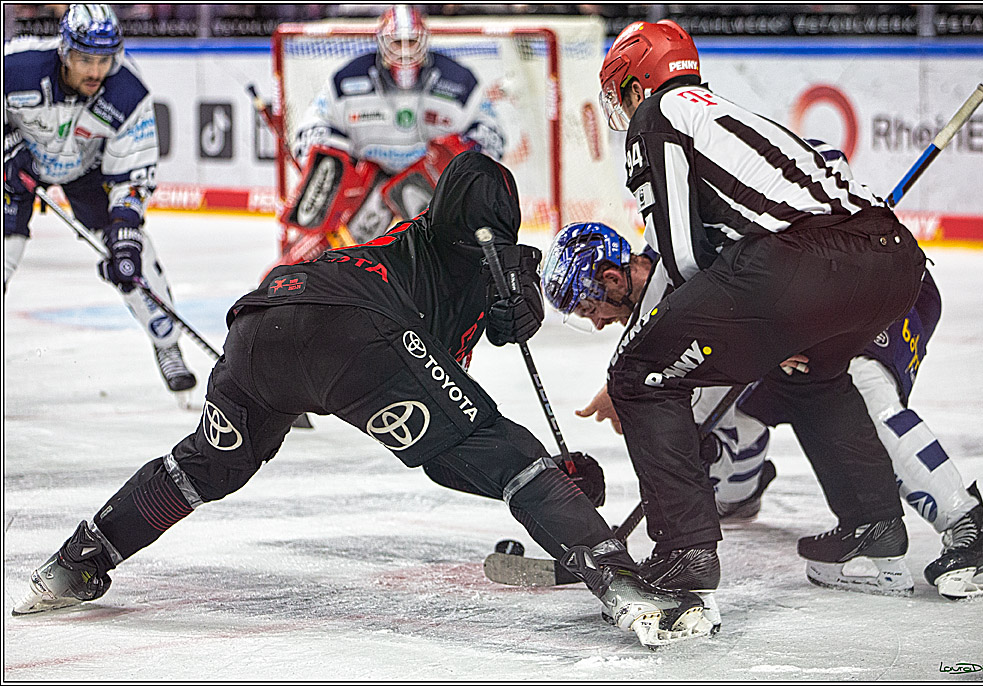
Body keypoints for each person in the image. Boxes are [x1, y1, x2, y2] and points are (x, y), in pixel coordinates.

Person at [12, 152, 715, 650]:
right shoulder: (476, 244)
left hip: (268, 314)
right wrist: (552, 490)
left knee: (206, 466)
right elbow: (474, 175)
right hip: (354, 328)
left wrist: (549, 495)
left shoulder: (439, 266)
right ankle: (624, 582)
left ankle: (78, 561)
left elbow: (450, 436)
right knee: (516, 454)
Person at [568, 18, 929, 612]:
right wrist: (772, 330)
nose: (623, 108)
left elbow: (683, 258)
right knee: (812, 373)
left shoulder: (656, 118)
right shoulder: (719, 111)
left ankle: (685, 550)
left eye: (621, 93)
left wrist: (629, 363)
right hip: (893, 262)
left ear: (637, 83)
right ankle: (873, 529)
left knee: (638, 374)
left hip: (803, 265)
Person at [554, 216, 983, 600]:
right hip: (796, 324)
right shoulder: (660, 282)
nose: (596, 323)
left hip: (870, 293)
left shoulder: (692, 237)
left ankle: (974, 531)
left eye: (589, 307)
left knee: (860, 387)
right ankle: (737, 492)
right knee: (700, 398)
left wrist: (780, 328)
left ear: (612, 278)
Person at [3, 4, 196, 397]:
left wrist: (124, 225)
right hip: (17, 168)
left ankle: (166, 343)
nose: (95, 71)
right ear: (64, 50)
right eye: (85, 58)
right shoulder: (16, 66)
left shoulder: (127, 92)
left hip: (88, 171)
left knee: (132, 257)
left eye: (104, 59)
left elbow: (134, 169)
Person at [279, 4, 506, 264]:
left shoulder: (459, 81)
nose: (406, 51)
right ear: (382, 43)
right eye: (398, 42)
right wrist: (337, 159)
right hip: (371, 177)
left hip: (431, 179)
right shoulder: (347, 80)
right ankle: (299, 274)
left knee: (447, 250)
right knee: (341, 248)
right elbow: (313, 127)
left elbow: (492, 134)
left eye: (412, 42)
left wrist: (465, 153)